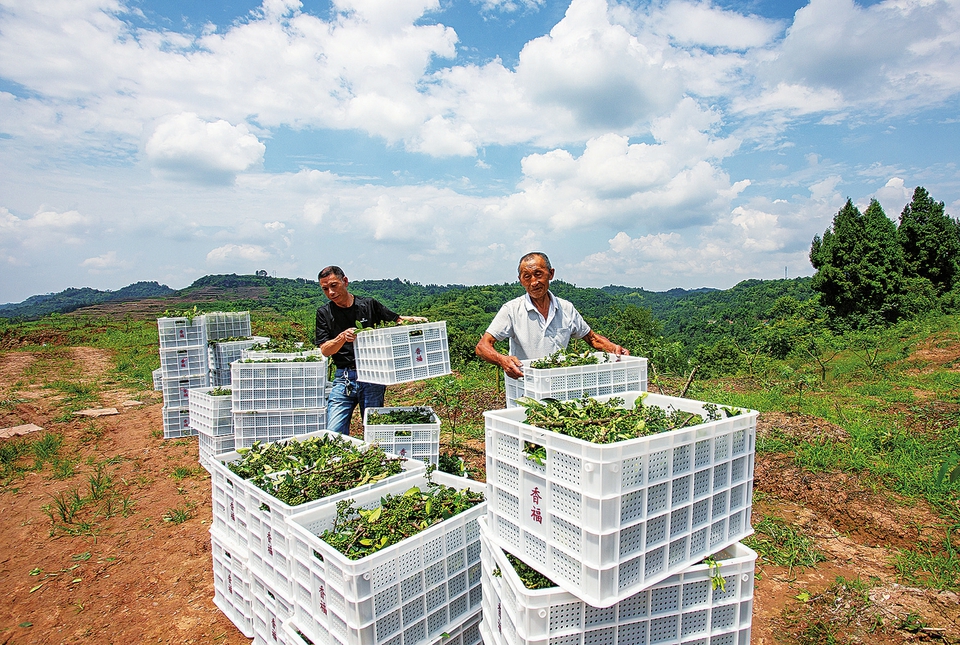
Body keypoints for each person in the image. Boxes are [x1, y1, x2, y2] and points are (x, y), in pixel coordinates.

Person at [475, 251, 628, 379]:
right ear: (520, 280)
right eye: (527, 276)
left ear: (551, 274)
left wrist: (613, 348)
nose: (534, 282)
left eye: (538, 274)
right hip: (524, 384)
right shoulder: (512, 310)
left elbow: (592, 338)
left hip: (559, 383)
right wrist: (502, 360)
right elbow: (482, 346)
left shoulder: (566, 308)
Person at [315, 266, 426, 435]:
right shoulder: (324, 313)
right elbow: (325, 350)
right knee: (334, 431)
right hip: (344, 377)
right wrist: (342, 337)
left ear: (345, 281)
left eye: (334, 285)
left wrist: (418, 322)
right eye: (325, 289)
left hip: (372, 375)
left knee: (373, 430)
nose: (330, 292)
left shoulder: (368, 305)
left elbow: (397, 320)